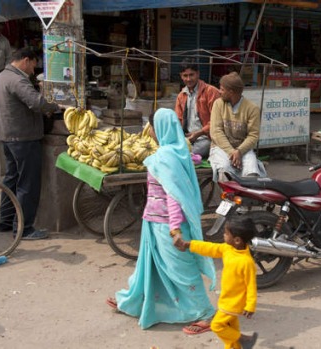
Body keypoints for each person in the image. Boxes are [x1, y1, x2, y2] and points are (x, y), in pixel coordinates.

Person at [106, 108, 217, 332]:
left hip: (168, 225)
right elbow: (191, 162)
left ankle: (206, 313)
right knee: (149, 267)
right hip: (154, 221)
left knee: (181, 270)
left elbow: (174, 197)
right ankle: (133, 300)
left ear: (161, 129)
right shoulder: (178, 153)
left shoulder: (165, 158)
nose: (151, 132)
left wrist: (175, 230)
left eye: (153, 128)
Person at [0, 47, 60, 240]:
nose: (33, 69)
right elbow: (37, 103)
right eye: (33, 64)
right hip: (24, 138)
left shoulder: (1, 77)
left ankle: (5, 221)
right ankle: (24, 228)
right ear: (25, 60)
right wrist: (56, 107)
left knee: (11, 180)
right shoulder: (17, 79)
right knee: (27, 184)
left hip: (8, 137)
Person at [174, 215, 258, 349]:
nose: (224, 235)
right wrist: (189, 244)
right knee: (230, 329)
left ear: (237, 240)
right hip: (226, 299)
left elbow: (251, 285)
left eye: (226, 233)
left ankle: (244, 339)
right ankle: (236, 345)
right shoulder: (228, 249)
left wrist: (250, 305)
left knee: (217, 325)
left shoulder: (246, 262)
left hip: (234, 303)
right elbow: (210, 248)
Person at [209, 72, 266, 181]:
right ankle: (228, 197)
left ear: (231, 92)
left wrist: (239, 151)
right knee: (224, 169)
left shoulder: (252, 108)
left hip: (242, 149)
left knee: (251, 170)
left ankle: (248, 197)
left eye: (222, 89)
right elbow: (216, 132)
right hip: (221, 148)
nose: (219, 92)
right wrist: (232, 152)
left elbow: (253, 136)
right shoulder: (218, 104)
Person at [174, 61, 220, 158]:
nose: (188, 79)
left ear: (198, 74)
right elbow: (178, 120)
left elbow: (217, 121)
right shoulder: (181, 96)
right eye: (185, 76)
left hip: (207, 138)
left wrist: (199, 133)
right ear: (181, 76)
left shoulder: (211, 92)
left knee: (185, 155)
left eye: (191, 75)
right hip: (188, 138)